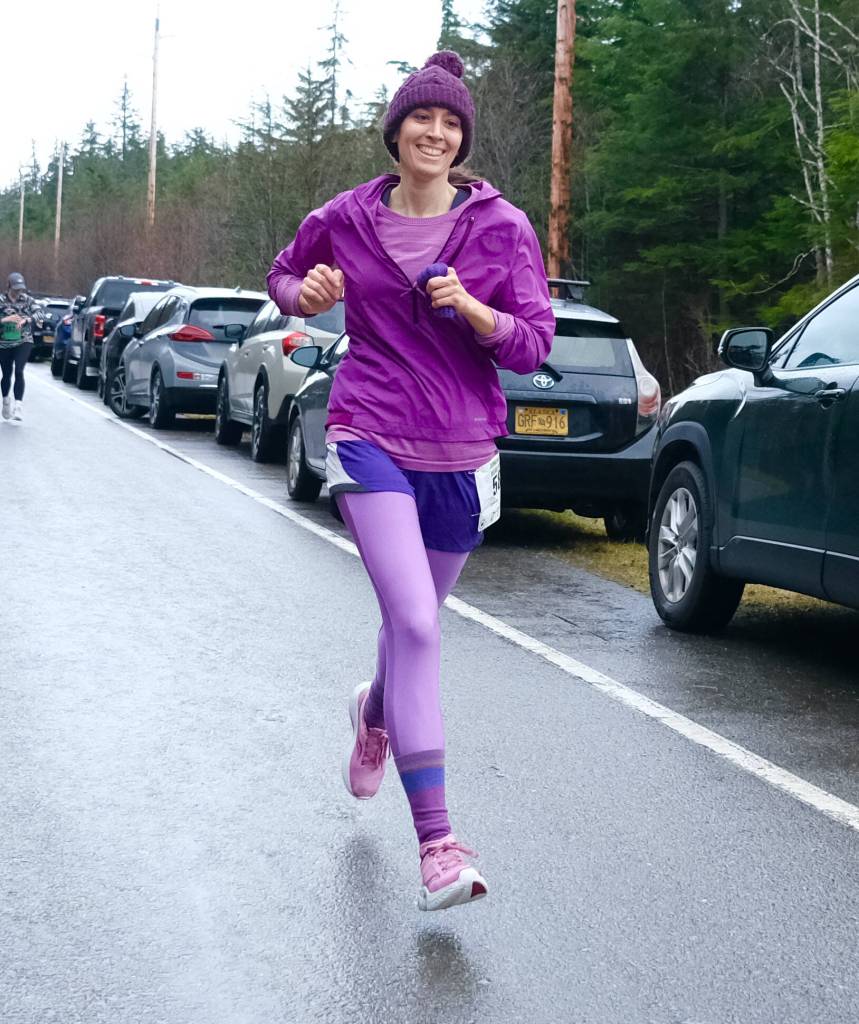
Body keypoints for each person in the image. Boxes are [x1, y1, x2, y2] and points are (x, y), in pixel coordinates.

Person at [268, 51, 554, 911]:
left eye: (451, 123)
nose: (435, 133)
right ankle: (437, 845)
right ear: (395, 131)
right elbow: (284, 277)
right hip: (368, 433)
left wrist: (475, 311)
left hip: (463, 451)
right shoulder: (346, 217)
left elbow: (533, 344)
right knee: (419, 624)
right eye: (421, 120)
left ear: (462, 139)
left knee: (409, 629)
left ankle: (375, 712)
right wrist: (304, 293)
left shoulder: (503, 230)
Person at [1, 272, 45, 422]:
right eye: (15, 288)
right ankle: (6, 399)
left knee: (19, 370)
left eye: (20, 288)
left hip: (23, 340)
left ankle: (18, 405)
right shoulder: (1, 300)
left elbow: (41, 314)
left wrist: (28, 319)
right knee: (6, 373)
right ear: (8, 286)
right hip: (4, 343)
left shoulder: (28, 300)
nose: (18, 291)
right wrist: (5, 319)